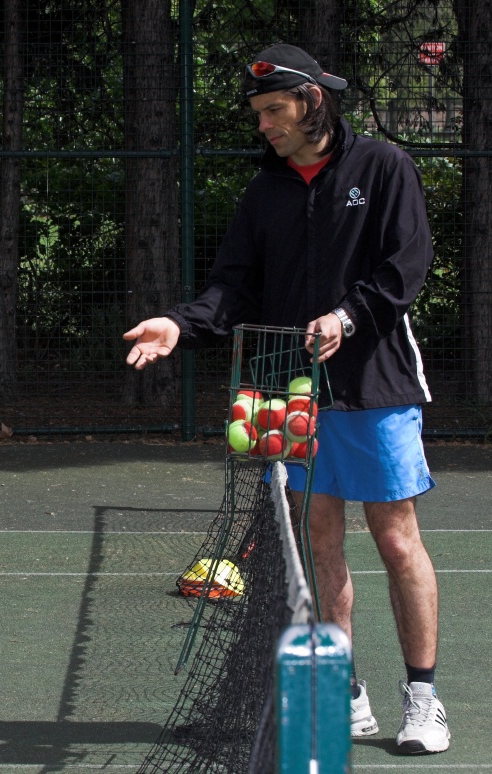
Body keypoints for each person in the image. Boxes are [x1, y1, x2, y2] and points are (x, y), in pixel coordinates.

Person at [123, 44, 449, 755]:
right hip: (291, 393)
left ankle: (423, 698)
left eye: (274, 110)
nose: (264, 124)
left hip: (376, 385)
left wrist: (348, 316)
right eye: (258, 113)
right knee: (319, 547)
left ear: (312, 102)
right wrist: (179, 323)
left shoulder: (383, 167)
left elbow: (407, 262)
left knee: (397, 540)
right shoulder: (265, 191)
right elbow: (232, 285)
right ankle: (345, 690)